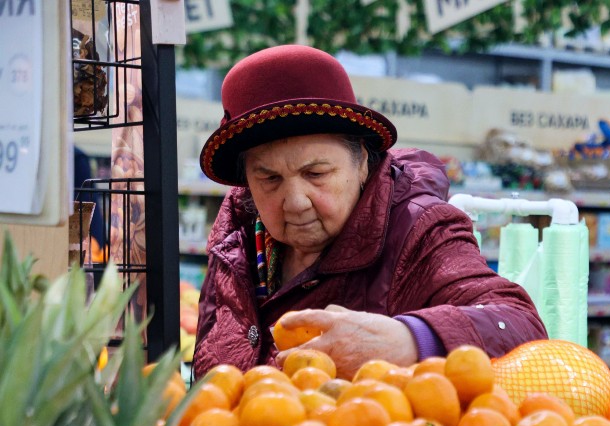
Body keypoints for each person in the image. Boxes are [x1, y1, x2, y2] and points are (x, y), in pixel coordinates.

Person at [193, 45, 547, 380]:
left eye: (316, 174)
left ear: (362, 161)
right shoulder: (235, 243)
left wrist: (408, 339)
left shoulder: (419, 229)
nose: (296, 201)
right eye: (269, 178)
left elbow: (519, 322)